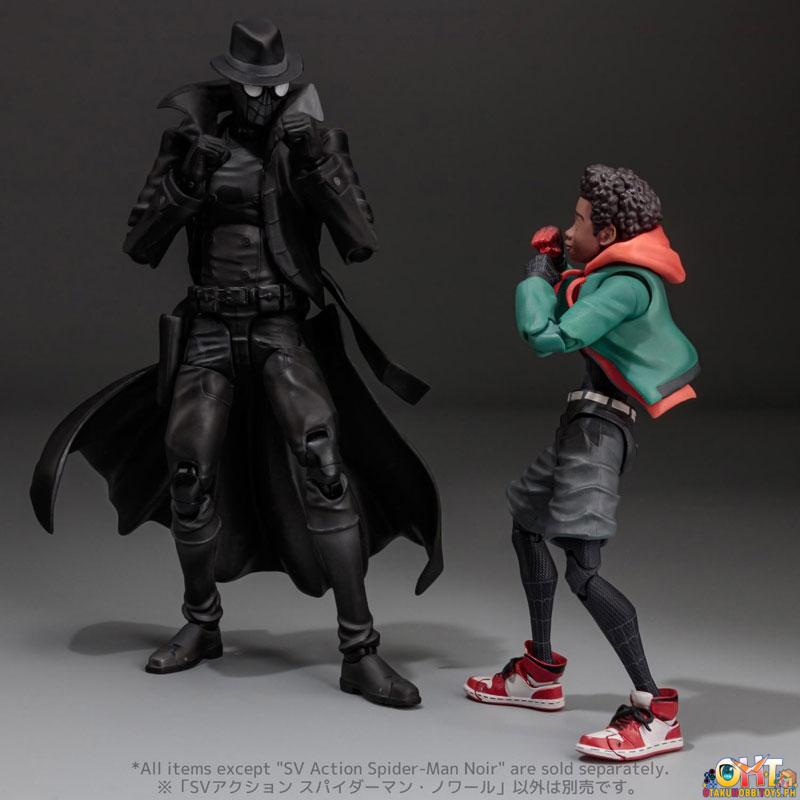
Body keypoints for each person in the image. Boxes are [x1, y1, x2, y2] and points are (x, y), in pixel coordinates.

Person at [31, 18, 441, 709]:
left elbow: (360, 238)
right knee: (188, 468)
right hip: (210, 329)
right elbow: (141, 244)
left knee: (324, 461)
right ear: (230, 83)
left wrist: (317, 162)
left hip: (281, 327)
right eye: (252, 88)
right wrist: (188, 179)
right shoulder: (193, 144)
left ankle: (360, 651)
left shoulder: (312, 142)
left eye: (274, 87)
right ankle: (202, 623)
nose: (262, 100)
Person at [464, 165, 699, 759]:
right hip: (580, 425)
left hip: (600, 434)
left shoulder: (626, 287)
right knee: (526, 524)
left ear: (610, 232)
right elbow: (577, 292)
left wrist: (535, 277)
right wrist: (556, 268)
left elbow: (549, 336)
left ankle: (656, 710)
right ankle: (540, 672)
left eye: (579, 221)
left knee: (584, 572)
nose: (570, 230)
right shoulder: (609, 276)